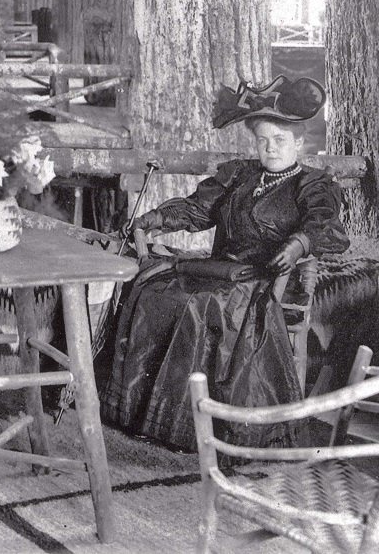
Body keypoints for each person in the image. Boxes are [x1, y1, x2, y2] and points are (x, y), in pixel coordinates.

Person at [102, 75, 349, 450]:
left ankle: (196, 425)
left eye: (280, 140)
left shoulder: (313, 185)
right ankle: (145, 415)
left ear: (299, 142)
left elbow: (325, 227)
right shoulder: (240, 174)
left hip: (269, 282)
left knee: (201, 306)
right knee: (153, 289)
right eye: (263, 141)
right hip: (220, 272)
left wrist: (299, 244)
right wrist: (155, 219)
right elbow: (197, 210)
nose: (270, 148)